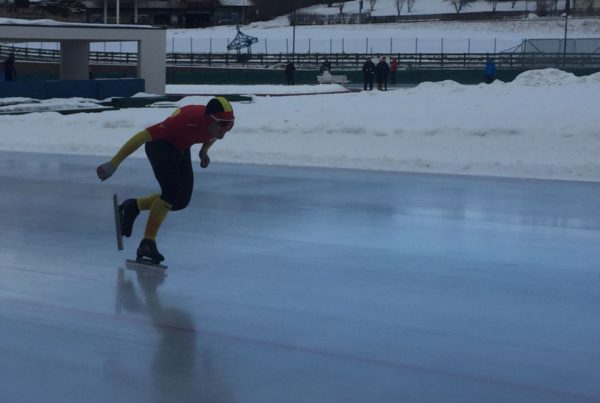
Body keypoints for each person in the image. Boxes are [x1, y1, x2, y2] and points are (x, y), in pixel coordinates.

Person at [96, 97, 235, 263]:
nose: (225, 130)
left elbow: (211, 136)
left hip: (182, 147)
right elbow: (142, 136)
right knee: (172, 192)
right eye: (222, 124)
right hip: (159, 145)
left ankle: (133, 206)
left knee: (181, 201)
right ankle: (148, 242)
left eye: (229, 124)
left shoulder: (219, 126)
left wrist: (204, 151)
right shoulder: (184, 121)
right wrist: (114, 163)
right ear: (209, 119)